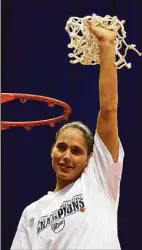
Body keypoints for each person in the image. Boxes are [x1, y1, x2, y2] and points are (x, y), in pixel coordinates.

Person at [11, 22, 124, 250]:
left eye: (76, 151)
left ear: (91, 158)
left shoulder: (98, 180)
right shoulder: (32, 214)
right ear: (51, 150)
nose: (66, 156)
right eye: (61, 147)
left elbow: (108, 109)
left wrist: (106, 44)